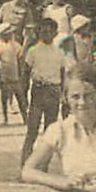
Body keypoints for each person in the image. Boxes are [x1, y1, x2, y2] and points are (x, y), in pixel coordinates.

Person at [21, 17, 68, 166]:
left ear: (55, 33)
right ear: (39, 32)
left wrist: (63, 95)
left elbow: (63, 75)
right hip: (38, 91)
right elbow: (25, 74)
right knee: (32, 130)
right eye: (43, 31)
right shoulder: (33, 51)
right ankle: (25, 165)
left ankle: (43, 167)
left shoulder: (60, 52)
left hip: (53, 92)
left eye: (50, 31)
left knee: (50, 132)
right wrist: (24, 96)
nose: (46, 34)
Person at [0, 23, 26, 126]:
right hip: (4, 75)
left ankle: (25, 117)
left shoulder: (15, 45)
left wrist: (21, 72)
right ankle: (5, 118)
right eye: (6, 34)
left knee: (20, 97)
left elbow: (21, 59)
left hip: (14, 75)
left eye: (10, 33)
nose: (9, 35)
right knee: (4, 98)